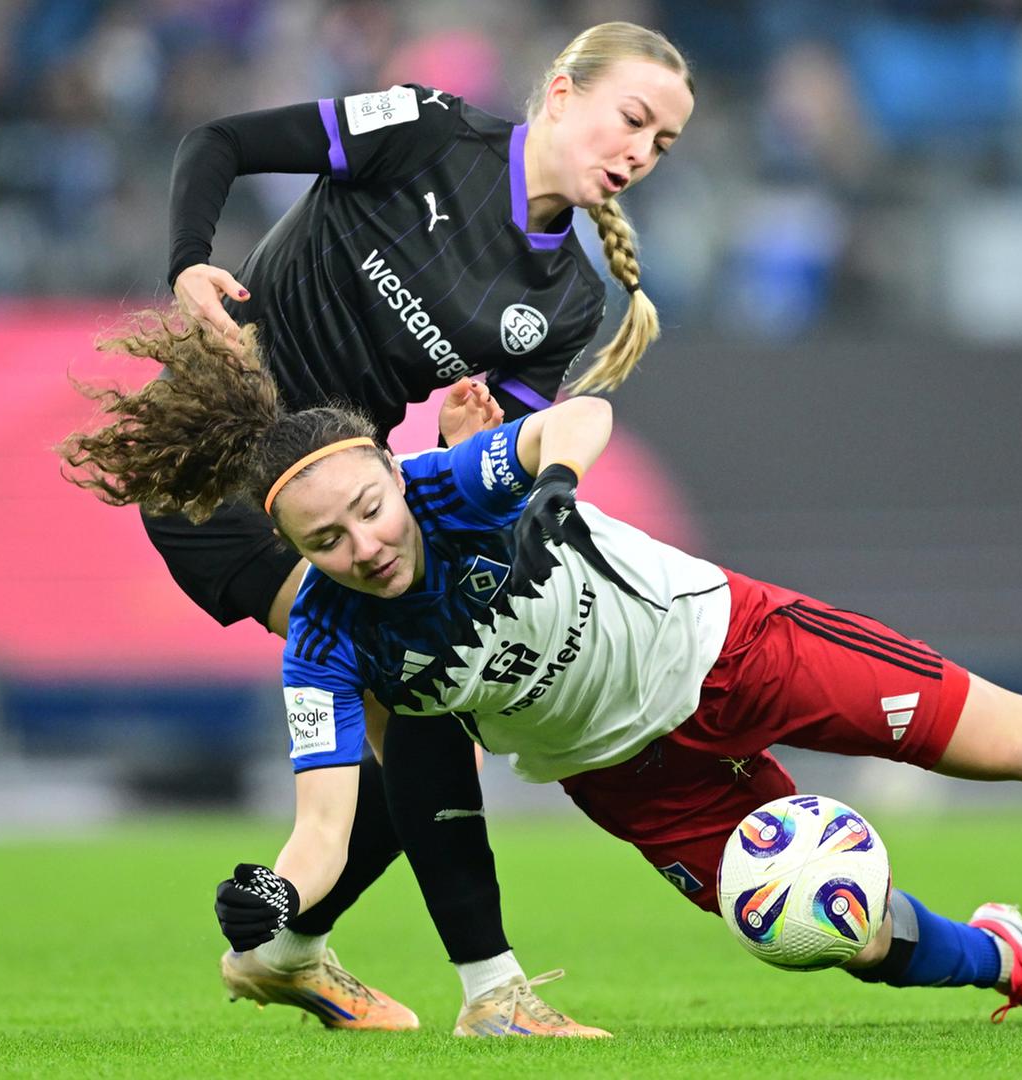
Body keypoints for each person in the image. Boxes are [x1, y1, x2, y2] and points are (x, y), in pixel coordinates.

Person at [62, 313, 1022, 1026]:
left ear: (385, 471)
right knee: (830, 936)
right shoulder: (321, 641)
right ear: (296, 550)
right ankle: (1007, 965)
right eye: (328, 537)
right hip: (623, 774)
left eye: (366, 506)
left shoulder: (451, 484)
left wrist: (545, 482)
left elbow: (579, 424)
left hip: (732, 648)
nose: (364, 542)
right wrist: (265, 903)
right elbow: (319, 829)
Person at [144, 22, 694, 1036]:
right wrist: (187, 266)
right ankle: (484, 994)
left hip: (338, 490)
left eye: (661, 143)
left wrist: (456, 440)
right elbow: (215, 142)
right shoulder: (426, 132)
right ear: (562, 92)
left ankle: (290, 949)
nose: (639, 153)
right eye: (632, 118)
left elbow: (501, 478)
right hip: (223, 474)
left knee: (430, 726)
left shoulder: (568, 300)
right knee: (423, 704)